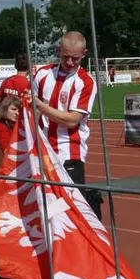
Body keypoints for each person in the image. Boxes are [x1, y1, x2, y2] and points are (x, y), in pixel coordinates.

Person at [29, 31, 103, 220]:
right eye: (65, 57)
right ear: (59, 51)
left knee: (71, 209)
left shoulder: (85, 82)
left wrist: (41, 106)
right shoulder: (43, 74)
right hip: (42, 151)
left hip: (69, 153)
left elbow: (72, 120)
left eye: (75, 58)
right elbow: (31, 110)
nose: (70, 62)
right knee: (43, 205)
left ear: (84, 54)